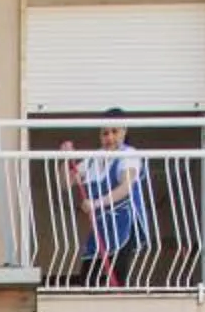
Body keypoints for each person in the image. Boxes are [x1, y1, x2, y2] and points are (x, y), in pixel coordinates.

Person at [63, 115, 150, 287]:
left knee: (117, 276)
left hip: (124, 223)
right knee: (88, 278)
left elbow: (126, 187)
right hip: (101, 227)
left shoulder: (128, 155)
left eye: (114, 132)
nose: (109, 137)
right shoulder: (93, 159)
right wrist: (66, 158)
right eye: (105, 133)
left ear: (124, 132)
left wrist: (95, 204)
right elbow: (65, 183)